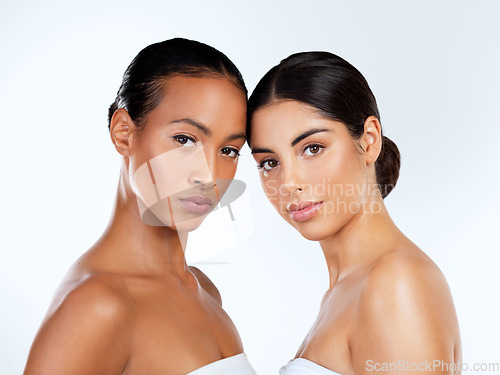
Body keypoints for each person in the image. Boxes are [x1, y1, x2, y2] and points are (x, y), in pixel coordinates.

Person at [24, 38, 257, 375]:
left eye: (228, 150)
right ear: (123, 133)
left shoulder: (204, 290)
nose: (208, 175)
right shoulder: (97, 306)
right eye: (185, 140)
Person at [247, 52, 461, 375]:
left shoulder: (395, 285)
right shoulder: (343, 292)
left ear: (370, 141)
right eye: (269, 162)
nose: (289, 183)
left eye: (313, 148)